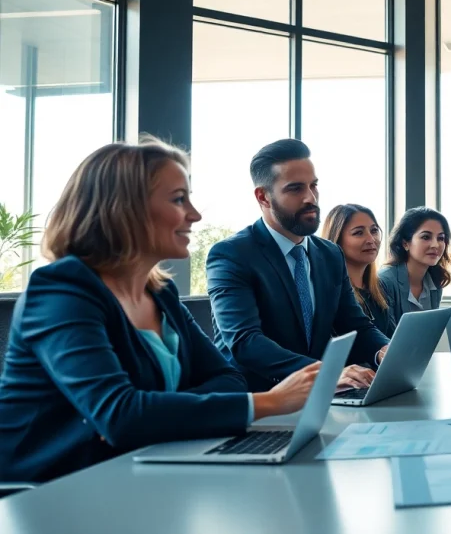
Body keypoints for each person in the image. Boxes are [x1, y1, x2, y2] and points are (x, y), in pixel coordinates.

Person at [0, 141, 320, 483]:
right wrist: (270, 402)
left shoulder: (161, 292)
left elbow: (229, 378)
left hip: (141, 465)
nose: (195, 214)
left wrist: (148, 413)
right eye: (179, 199)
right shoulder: (59, 291)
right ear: (124, 208)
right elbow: (122, 415)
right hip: (46, 490)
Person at [206, 139, 386, 393]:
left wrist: (384, 351)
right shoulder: (232, 255)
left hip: (318, 399)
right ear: (263, 197)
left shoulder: (330, 254)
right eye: (295, 189)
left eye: (313, 186)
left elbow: (354, 324)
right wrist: (327, 372)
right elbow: (245, 342)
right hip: (255, 401)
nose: (310, 198)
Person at [322, 204, 396, 339]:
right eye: (358, 233)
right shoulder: (331, 290)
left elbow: (391, 340)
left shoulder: (380, 287)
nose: (371, 240)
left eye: (374, 231)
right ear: (336, 240)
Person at [378, 207, 451, 322]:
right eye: (426, 237)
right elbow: (387, 334)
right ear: (405, 243)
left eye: (441, 238)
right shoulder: (385, 281)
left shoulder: (435, 281)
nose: (435, 245)